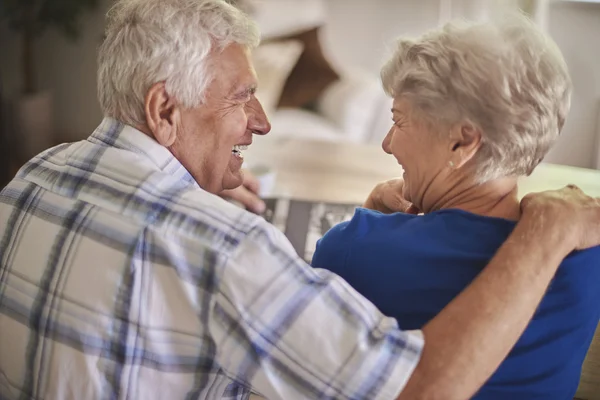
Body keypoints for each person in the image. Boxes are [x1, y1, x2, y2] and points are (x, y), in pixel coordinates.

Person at [0, 1, 599, 399]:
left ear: (464, 141)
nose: (261, 122)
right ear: (164, 111)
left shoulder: (29, 179)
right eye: (241, 97)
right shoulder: (228, 250)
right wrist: (544, 235)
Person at [312, 13, 600, 400]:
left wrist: (368, 224)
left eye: (399, 121)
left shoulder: (351, 251)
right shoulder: (586, 257)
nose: (387, 143)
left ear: (462, 142)